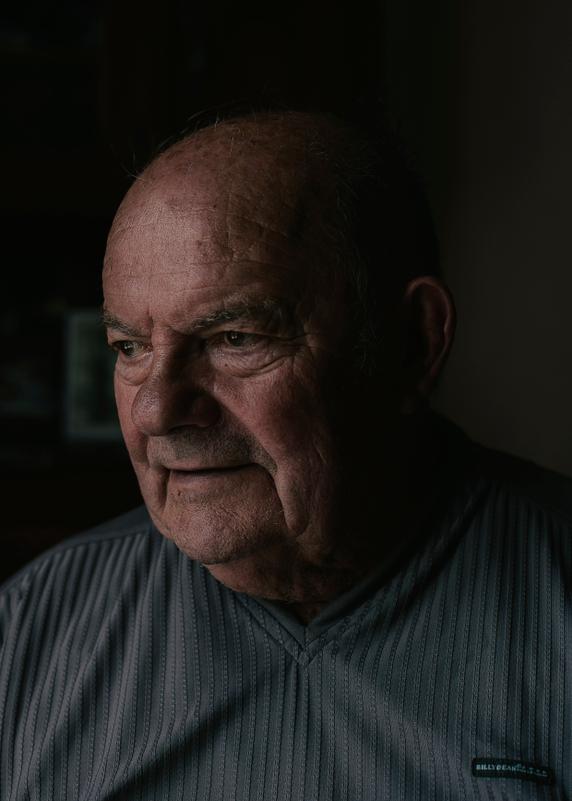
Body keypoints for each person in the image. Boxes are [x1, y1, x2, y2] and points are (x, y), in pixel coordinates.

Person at [1, 108, 571, 800]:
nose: (156, 409)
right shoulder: (34, 623)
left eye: (235, 337)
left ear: (412, 344)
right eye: (131, 348)